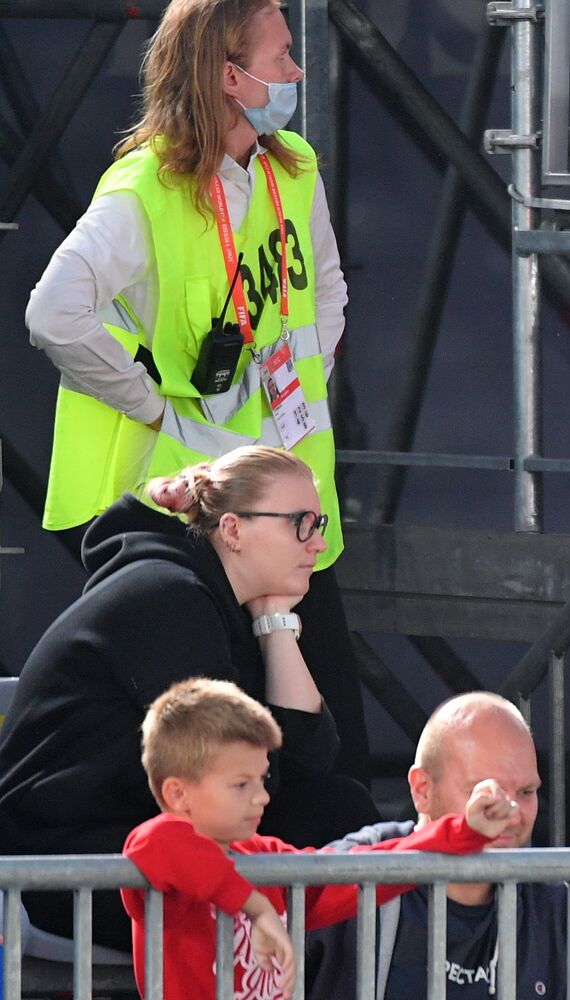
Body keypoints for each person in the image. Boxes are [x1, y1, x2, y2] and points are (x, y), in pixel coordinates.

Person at [25, 0, 369, 784]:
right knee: (220, 762)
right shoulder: (144, 188)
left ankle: (313, 897)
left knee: (323, 753)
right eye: (281, 58)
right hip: (176, 519)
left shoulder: (294, 167)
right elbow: (53, 313)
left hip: (286, 514)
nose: (295, 72)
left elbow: (328, 292)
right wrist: (154, 405)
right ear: (228, 76)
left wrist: (290, 382)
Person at [0, 446, 379, 952]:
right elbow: (244, 780)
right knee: (330, 833)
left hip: (142, 842)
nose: (318, 543)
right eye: (300, 523)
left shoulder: (213, 597)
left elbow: (310, 761)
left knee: (336, 810)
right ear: (233, 530)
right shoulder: (168, 600)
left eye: (320, 522)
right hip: (67, 867)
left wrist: (275, 624)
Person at [122, 678, 514, 1000]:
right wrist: (255, 907)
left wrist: (465, 830)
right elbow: (152, 840)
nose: (262, 796)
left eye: (262, 779)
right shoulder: (165, 856)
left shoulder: (268, 855)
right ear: (177, 794)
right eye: (240, 784)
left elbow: (374, 867)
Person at [307, 692, 570, 999]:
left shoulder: (553, 905)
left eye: (526, 791)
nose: (509, 812)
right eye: (485, 792)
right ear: (422, 790)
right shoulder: (352, 872)